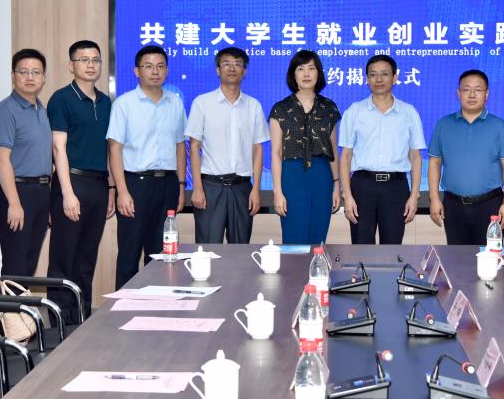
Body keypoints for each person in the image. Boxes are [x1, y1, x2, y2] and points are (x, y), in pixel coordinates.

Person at [107, 45, 187, 289]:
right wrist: (121, 191)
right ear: (136, 71)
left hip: (168, 184)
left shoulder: (175, 103)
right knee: (129, 252)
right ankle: (124, 306)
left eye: (161, 66)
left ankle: (158, 305)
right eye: (149, 66)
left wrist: (181, 186)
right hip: (135, 184)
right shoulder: (124, 104)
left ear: (167, 71)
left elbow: (180, 146)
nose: (155, 71)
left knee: (162, 253)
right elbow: (114, 149)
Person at [46, 40, 113, 323]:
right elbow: (58, 148)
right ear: (71, 65)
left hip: (99, 185)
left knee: (86, 257)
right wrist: (67, 193)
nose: (90, 65)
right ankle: (60, 323)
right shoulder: (61, 99)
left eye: (95, 60)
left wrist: (111, 189)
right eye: (83, 60)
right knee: (64, 258)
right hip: (72, 182)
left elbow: (109, 149)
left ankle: (81, 318)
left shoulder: (106, 102)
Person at [185, 47, 269, 244]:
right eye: (226, 64)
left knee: (240, 249)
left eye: (237, 64)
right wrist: (197, 188)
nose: (232, 68)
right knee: (207, 248)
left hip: (242, 188)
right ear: (218, 69)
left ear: (244, 71)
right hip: (210, 187)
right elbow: (194, 147)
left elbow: (258, 149)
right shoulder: (202, 103)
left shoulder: (253, 106)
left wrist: (256, 189)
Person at [339, 55, 426, 245]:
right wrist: (347, 195)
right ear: (367, 79)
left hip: (396, 188)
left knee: (392, 247)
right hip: (362, 186)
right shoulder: (354, 111)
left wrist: (414, 195)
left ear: (395, 78)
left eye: (384, 74)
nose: (378, 79)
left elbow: (416, 157)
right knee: (361, 247)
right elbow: (345, 156)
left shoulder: (409, 112)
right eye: (373, 74)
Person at [428, 70, 504, 245]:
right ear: (458, 93)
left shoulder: (500, 126)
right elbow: (435, 162)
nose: (472, 95)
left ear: (487, 94)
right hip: (453, 205)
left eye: (478, 89)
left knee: (490, 256)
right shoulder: (444, 124)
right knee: (456, 257)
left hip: (490, 204)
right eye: (466, 89)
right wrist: (434, 198)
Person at [0, 49, 52, 277]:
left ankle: (21, 302)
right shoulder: (6, 110)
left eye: (36, 72)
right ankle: (8, 302)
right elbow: (2, 159)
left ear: (43, 77)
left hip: (41, 191)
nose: (30, 77)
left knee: (29, 262)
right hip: (17, 192)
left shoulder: (43, 110)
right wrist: (14, 204)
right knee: (15, 263)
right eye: (23, 72)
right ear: (13, 76)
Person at [269, 50, 341, 244]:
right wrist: (277, 191)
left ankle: (316, 265)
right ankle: (293, 267)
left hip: (322, 175)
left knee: (318, 237)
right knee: (295, 236)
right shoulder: (280, 109)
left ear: (319, 73)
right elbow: (276, 153)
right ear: (293, 74)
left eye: (311, 68)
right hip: (292, 176)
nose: (306, 73)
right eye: (301, 69)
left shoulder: (329, 107)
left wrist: (336, 185)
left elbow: (333, 150)